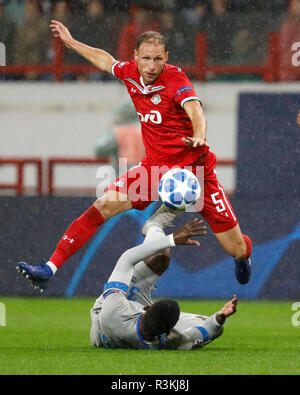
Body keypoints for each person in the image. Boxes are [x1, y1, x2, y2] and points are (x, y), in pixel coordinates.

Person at [16, 20, 252, 291]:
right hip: (153, 172)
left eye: (158, 59)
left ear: (167, 58)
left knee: (235, 249)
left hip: (196, 173)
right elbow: (106, 61)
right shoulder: (129, 73)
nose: (152, 66)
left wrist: (199, 134)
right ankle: (49, 268)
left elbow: (195, 109)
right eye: (146, 59)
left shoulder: (176, 79)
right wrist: (71, 43)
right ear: (136, 57)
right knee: (101, 207)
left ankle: (245, 254)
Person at [90, 218, 238, 350]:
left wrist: (172, 239)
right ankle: (154, 226)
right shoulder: (171, 342)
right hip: (130, 322)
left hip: (106, 316)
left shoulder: (113, 310)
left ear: (147, 308)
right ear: (168, 331)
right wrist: (220, 317)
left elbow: (126, 259)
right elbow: (201, 333)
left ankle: (154, 225)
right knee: (205, 321)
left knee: (162, 253)